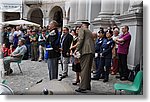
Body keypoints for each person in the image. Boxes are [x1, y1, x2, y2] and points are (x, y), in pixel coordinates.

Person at [75, 21, 95, 93]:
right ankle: (86, 86)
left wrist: (77, 49)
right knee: (87, 70)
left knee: (84, 70)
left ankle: (82, 87)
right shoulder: (89, 31)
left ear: (82, 25)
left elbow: (81, 40)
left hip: (86, 51)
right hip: (90, 51)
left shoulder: (82, 30)